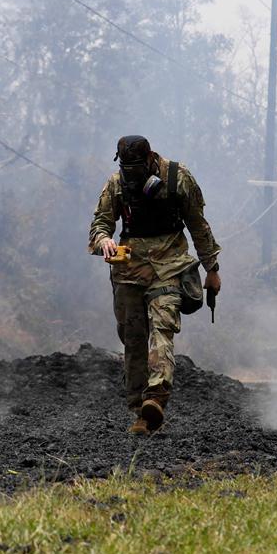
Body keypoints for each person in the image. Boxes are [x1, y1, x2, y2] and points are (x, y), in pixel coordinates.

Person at [88, 135, 221, 435]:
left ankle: (156, 397)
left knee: (162, 329)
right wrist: (104, 240)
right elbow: (99, 223)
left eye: (137, 168)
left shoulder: (177, 178)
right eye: (127, 168)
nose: (132, 174)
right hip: (129, 270)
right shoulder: (116, 184)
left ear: (150, 159)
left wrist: (212, 269)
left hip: (169, 267)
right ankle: (141, 411)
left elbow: (198, 225)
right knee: (132, 337)